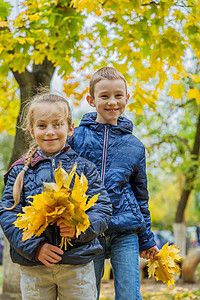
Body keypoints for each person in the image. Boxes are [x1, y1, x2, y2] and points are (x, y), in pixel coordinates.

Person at [0, 93, 112, 300]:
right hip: (35, 268)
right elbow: (9, 215)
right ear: (31, 131)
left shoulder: (85, 168)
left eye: (57, 124)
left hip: (77, 265)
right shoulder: (19, 172)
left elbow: (102, 208)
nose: (50, 132)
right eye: (42, 126)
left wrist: (80, 228)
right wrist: (35, 247)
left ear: (70, 129)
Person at [68, 67, 159, 300]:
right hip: (88, 229)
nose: (112, 102)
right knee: (87, 294)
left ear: (127, 98)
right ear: (91, 100)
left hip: (125, 231)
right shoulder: (76, 138)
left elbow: (141, 196)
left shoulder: (135, 146)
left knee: (129, 294)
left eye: (119, 95)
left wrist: (146, 238)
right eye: (104, 96)